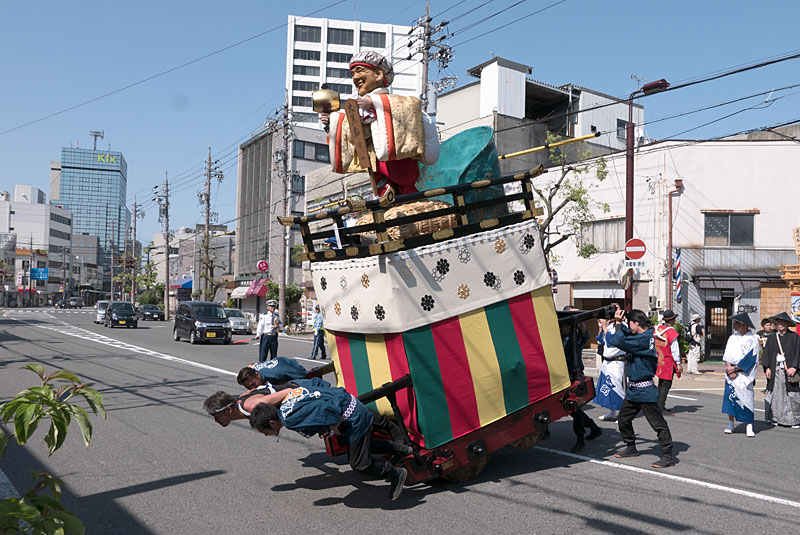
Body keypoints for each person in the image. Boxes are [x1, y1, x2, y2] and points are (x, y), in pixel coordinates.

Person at [248, 385, 409, 501]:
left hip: (352, 416)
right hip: (349, 401)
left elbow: (323, 408)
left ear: (271, 423)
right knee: (356, 446)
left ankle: (395, 473)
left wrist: (334, 424)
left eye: (264, 431)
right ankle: (399, 448)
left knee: (360, 463)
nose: (266, 435)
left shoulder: (289, 420)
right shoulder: (285, 402)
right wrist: (325, 428)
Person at [322, 51, 439, 198]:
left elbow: (408, 106)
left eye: (359, 71)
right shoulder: (363, 108)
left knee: (401, 187)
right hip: (377, 170)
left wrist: (374, 102)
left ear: (378, 74)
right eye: (352, 74)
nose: (355, 78)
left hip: (400, 169)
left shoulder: (397, 103)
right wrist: (332, 122)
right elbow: (353, 133)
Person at [610, 308, 675, 469]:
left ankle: (668, 456)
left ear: (637, 323)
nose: (628, 326)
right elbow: (628, 335)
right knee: (623, 420)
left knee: (658, 424)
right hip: (633, 390)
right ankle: (631, 447)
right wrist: (622, 321)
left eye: (630, 323)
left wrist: (618, 323)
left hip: (645, 391)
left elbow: (618, 341)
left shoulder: (645, 339)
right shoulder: (643, 335)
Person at [203, 378, 330, 427]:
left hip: (306, 388)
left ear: (228, 410)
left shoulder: (254, 405)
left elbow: (289, 392)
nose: (216, 420)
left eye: (217, 416)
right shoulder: (239, 399)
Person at [560, 306, 602, 452]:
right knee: (570, 409)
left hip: (575, 375)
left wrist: (579, 318)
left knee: (574, 408)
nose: (562, 328)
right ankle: (594, 428)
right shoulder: (558, 337)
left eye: (565, 326)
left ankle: (580, 439)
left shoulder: (575, 336)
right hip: (562, 375)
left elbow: (584, 332)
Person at [722, 313, 760, 437]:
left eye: (736, 322)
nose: (734, 324)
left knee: (746, 399)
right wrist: (729, 367)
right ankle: (730, 424)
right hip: (731, 372)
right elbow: (727, 354)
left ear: (743, 325)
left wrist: (736, 369)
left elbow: (752, 358)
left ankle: (749, 425)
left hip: (744, 373)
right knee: (731, 399)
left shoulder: (753, 339)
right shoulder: (732, 337)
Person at [762, 312, 800, 428]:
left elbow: (798, 353)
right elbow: (767, 353)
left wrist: (794, 366)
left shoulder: (794, 337)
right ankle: (774, 418)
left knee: (790, 395)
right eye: (778, 322)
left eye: (783, 322)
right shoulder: (772, 337)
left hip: (789, 370)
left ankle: (793, 420)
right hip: (775, 369)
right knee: (775, 393)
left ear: (787, 323)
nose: (780, 324)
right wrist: (767, 367)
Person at [593, 317, 626, 421]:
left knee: (617, 387)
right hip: (607, 361)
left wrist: (604, 326)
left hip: (617, 361)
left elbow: (611, 341)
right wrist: (601, 327)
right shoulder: (609, 326)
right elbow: (600, 340)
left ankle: (623, 414)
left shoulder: (622, 327)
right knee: (607, 386)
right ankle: (612, 411)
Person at [654, 309, 682, 414]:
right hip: (668, 361)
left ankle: (657, 405)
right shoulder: (671, 332)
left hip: (659, 359)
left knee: (661, 383)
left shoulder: (658, 329)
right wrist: (678, 363)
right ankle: (661, 407)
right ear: (672, 320)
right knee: (666, 384)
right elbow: (675, 350)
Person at [236, 357, 310, 391]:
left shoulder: (274, 375)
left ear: (257, 375)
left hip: (293, 368)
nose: (252, 389)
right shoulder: (251, 368)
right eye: (248, 387)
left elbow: (302, 374)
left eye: (253, 384)